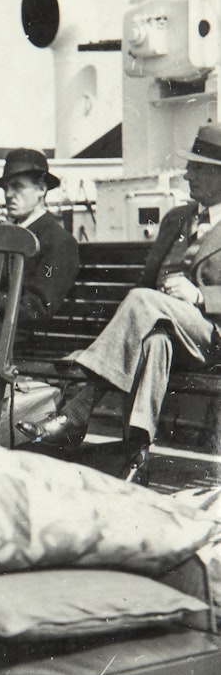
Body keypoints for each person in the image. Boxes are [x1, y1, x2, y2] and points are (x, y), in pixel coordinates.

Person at [17, 122, 221, 477]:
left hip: (209, 336)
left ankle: (78, 408)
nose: (188, 174)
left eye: (197, 168)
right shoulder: (176, 219)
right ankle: (137, 456)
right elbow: (146, 283)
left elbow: (143, 295)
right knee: (154, 342)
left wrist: (201, 295)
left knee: (142, 301)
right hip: (165, 328)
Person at [0, 148, 79, 329]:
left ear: (41, 189)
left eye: (17, 186)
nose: (8, 194)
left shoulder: (58, 240)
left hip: (18, 332)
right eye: (6, 188)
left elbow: (37, 308)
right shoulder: (2, 234)